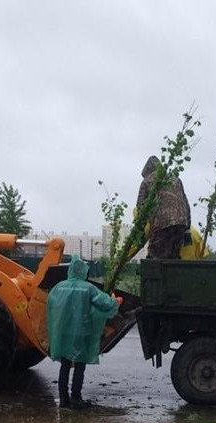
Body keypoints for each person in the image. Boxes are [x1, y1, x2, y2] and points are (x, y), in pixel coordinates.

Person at [47, 256, 120, 409]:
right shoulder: (88, 288)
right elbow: (104, 303)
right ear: (84, 271)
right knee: (79, 365)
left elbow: (50, 307)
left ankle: (63, 399)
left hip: (62, 332)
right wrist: (115, 301)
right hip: (81, 332)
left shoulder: (58, 287)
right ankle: (76, 398)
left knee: (65, 365)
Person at [136, 155, 191, 259]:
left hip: (162, 224)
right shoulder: (175, 179)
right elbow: (186, 204)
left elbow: (141, 207)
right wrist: (187, 229)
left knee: (155, 257)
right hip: (181, 224)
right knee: (173, 258)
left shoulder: (147, 181)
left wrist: (140, 231)